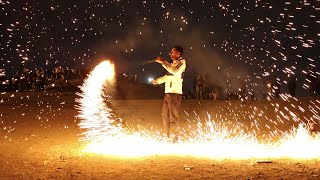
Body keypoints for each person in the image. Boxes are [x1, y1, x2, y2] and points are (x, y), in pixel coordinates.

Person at [152, 45, 186, 141]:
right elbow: (168, 76)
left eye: (173, 52)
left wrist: (163, 62)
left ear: (178, 54)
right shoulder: (173, 64)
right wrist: (158, 81)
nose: (170, 54)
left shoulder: (181, 63)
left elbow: (174, 71)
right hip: (168, 93)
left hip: (174, 94)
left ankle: (175, 137)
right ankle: (167, 136)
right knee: (164, 115)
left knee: (173, 117)